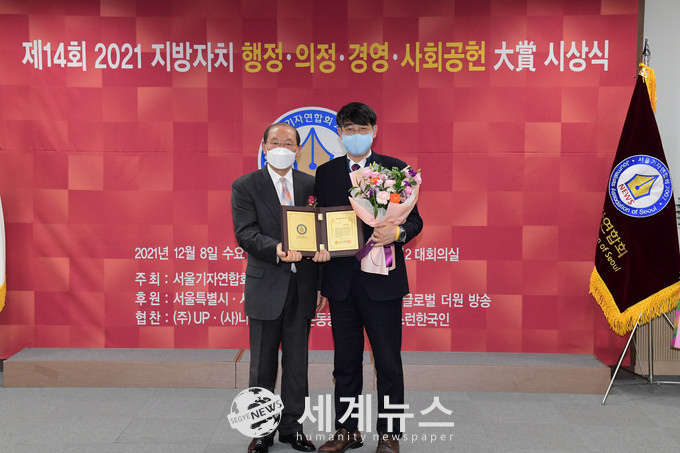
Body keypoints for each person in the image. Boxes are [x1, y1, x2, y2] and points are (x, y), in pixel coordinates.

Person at [315, 102, 423, 453]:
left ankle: (389, 434)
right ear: (340, 133)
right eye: (349, 130)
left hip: (383, 282)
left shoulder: (396, 169)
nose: (356, 136)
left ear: (375, 131)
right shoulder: (326, 172)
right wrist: (320, 280)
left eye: (363, 129)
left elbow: (415, 221)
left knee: (388, 362)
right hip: (341, 284)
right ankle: (347, 430)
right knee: (345, 363)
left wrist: (397, 232)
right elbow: (319, 223)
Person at [231, 122, 330, 453]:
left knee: (297, 363)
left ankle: (292, 427)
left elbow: (321, 232)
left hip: (303, 286)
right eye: (275, 142)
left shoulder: (311, 185)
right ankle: (261, 430)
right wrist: (276, 248)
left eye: (288, 143)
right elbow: (245, 233)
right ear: (264, 146)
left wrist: (320, 280)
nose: (281, 148)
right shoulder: (246, 185)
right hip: (266, 286)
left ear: (298, 150)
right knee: (262, 364)